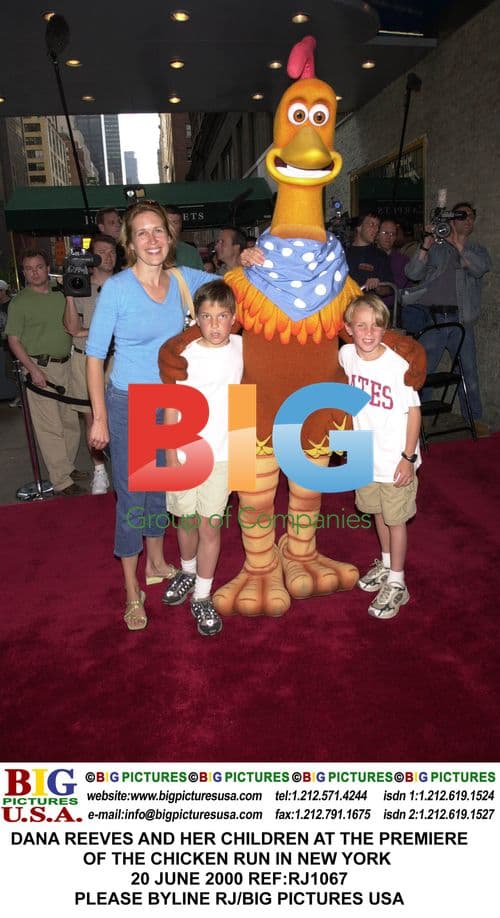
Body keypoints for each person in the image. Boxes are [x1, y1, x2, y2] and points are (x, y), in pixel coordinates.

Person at [86, 200, 210, 631]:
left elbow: (234, 285)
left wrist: (252, 258)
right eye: (142, 232)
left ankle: (156, 562)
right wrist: (99, 417)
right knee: (132, 499)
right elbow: (94, 356)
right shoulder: (118, 288)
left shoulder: (183, 279)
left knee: (160, 488)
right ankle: (131, 589)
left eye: (158, 230)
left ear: (170, 237)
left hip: (170, 403)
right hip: (126, 403)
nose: (152, 239)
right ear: (130, 242)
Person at [162, 280, 243, 636]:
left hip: (225, 453)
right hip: (185, 450)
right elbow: (170, 403)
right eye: (206, 316)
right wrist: (168, 452)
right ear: (196, 318)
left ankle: (202, 594)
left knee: (210, 525)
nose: (214, 324)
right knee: (186, 521)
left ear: (234, 318)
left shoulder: (243, 348)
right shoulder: (185, 353)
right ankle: (188, 570)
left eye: (222, 316)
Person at [339, 293, 421, 620]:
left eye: (376, 326)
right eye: (361, 326)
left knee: (395, 519)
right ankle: (387, 565)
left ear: (385, 328)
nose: (369, 333)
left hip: (394, 456)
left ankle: (398, 582)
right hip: (364, 452)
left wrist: (408, 457)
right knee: (376, 511)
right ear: (348, 329)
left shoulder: (398, 365)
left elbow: (414, 413)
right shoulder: (346, 354)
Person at [402, 202, 491, 435]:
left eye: (471, 216)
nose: (468, 220)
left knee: (469, 372)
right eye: (462, 216)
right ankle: (418, 420)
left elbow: (480, 268)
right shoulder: (437, 248)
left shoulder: (476, 249)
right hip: (432, 320)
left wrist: (458, 245)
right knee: (422, 371)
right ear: (451, 220)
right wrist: (426, 244)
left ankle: (474, 419)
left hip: (461, 322)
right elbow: (412, 273)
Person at [6, 249, 84, 495]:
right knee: (50, 427)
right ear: (23, 272)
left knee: (70, 422)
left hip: (68, 364)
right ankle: (61, 480)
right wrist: (32, 370)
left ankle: (67, 467)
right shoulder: (20, 302)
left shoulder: (61, 293)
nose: (35, 273)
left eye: (39, 267)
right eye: (29, 269)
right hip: (40, 368)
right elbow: (14, 340)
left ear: (47, 268)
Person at [63, 234, 117, 495]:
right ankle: (99, 471)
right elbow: (72, 328)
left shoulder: (124, 284)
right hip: (86, 359)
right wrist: (69, 294)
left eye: (112, 252)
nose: (108, 257)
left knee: (122, 416)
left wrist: (90, 331)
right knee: (91, 418)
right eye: (102, 252)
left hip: (118, 358)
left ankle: (124, 466)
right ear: (91, 257)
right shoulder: (81, 284)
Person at [346, 212, 393, 294]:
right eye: (372, 224)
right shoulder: (342, 252)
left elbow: (389, 289)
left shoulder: (380, 255)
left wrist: (378, 286)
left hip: (368, 301)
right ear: (359, 227)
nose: (376, 229)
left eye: (377, 226)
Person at [376, 217, 411, 321]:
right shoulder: (368, 257)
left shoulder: (403, 260)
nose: (389, 237)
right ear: (377, 234)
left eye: (393, 234)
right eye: (385, 233)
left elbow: (399, 287)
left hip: (392, 311)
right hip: (369, 308)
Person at [164, 204, 204, 269]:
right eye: (168, 223)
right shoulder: (152, 250)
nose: (171, 227)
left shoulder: (191, 252)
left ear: (181, 225)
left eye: (175, 223)